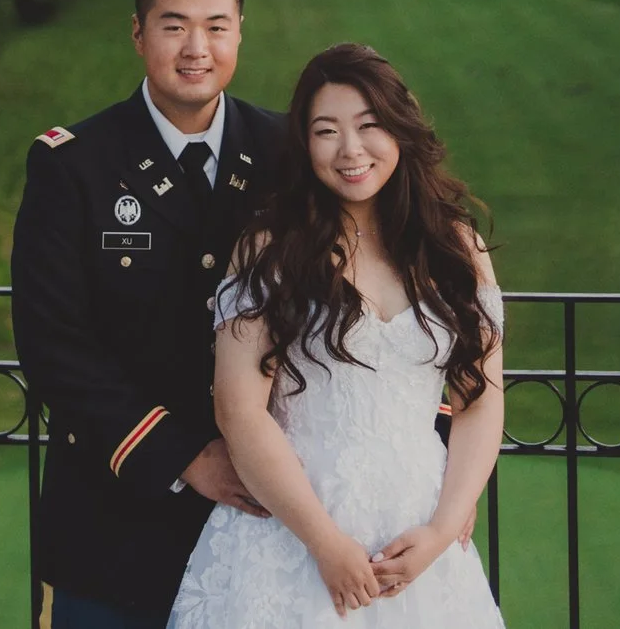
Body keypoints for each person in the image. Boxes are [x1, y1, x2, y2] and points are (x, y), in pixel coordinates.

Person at [170, 43, 506, 627]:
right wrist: (323, 543)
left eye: (368, 125)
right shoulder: (270, 250)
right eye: (327, 131)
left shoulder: (454, 248)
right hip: (290, 535)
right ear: (305, 145)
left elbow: (480, 400)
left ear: (399, 128)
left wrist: (442, 528)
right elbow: (239, 411)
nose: (350, 150)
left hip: (419, 538)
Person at [12, 0, 288, 629]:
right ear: (138, 33)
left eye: (216, 26)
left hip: (264, 531)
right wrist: (182, 455)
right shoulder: (73, 165)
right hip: (114, 527)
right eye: (174, 25)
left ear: (240, 31)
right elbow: (52, 345)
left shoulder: (286, 153)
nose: (197, 48)